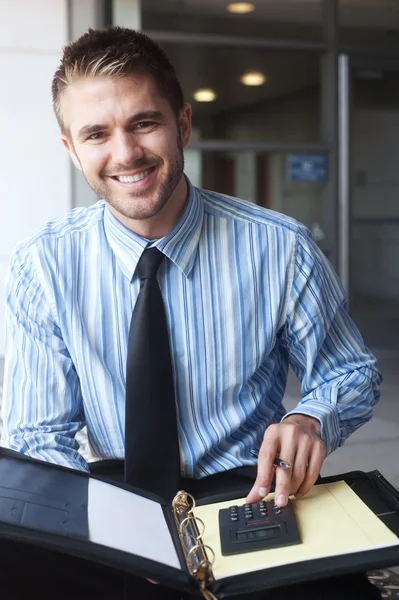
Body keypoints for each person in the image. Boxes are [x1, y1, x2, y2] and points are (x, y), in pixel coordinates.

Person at [1, 26, 382, 600]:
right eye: (97, 133)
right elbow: (38, 434)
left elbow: (349, 372)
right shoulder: (43, 267)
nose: (125, 153)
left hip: (249, 489)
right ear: (71, 149)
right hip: (112, 491)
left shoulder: (282, 248)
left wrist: (312, 419)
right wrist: (106, 532)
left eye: (143, 123)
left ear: (182, 123)